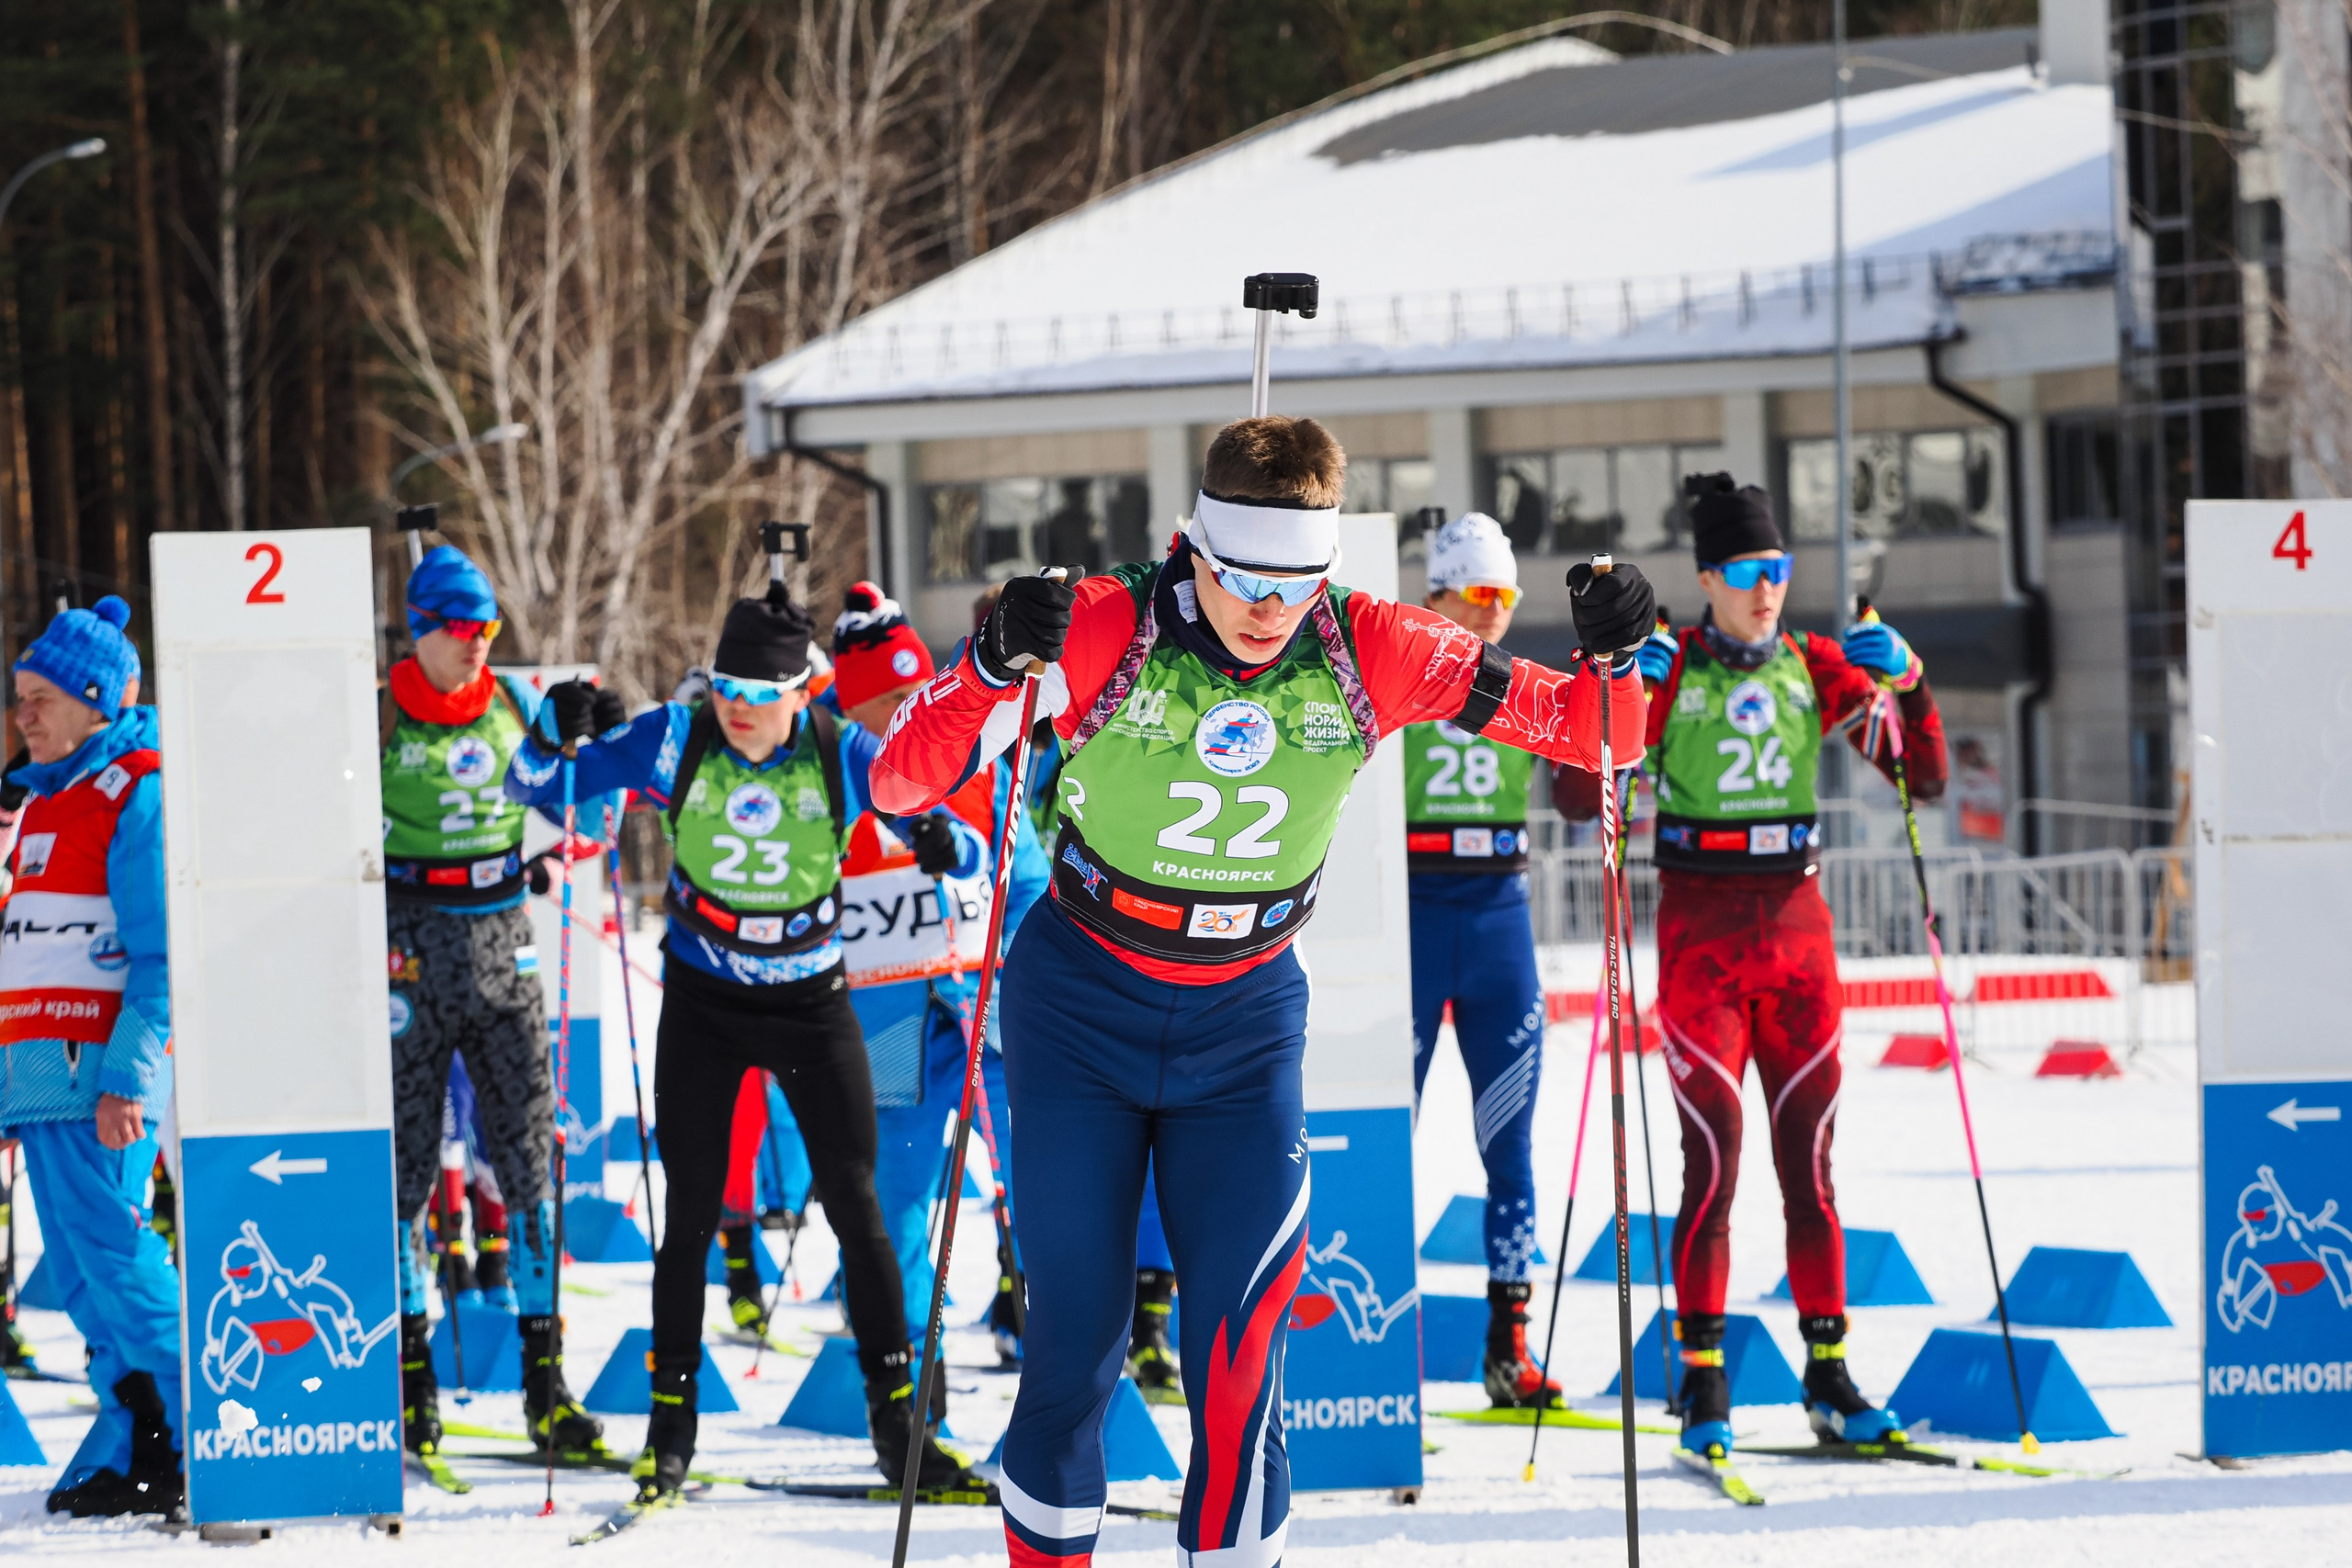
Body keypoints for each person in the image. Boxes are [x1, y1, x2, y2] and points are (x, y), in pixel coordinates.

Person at [873, 415, 1653, 1568]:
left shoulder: (1372, 644)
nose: (1264, 610)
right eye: (1240, 578)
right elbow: (901, 780)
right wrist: (990, 667)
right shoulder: (1104, 622)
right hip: (1081, 1006)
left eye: (1295, 585)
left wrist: (1618, 654)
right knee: (1075, 1353)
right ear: (1193, 544)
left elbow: (1599, 741)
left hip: (1240, 1028)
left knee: (1242, 1366)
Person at [508, 581, 974, 1506]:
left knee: (856, 1204)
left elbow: (947, 822)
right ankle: (668, 1430)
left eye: (761, 695)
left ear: (804, 689)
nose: (740, 709)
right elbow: (537, 792)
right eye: (726, 688)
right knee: (688, 1214)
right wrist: (546, 728)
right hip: (705, 998)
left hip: (812, 997)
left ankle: (900, 1426)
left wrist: (935, 840)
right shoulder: (674, 739)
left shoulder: (841, 750)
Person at [1555, 473, 1948, 1463]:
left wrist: (1909, 680)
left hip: (1799, 936)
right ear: (1706, 577)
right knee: (1714, 1159)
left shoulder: (1814, 665)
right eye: (1743, 571)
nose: (1764, 588)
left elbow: (1922, 776)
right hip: (1701, 939)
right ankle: (1702, 1380)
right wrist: (1611, 684)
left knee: (1809, 1163)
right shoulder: (1674, 666)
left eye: (1776, 569)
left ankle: (1827, 1372)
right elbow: (1573, 795)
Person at [381, 546, 606, 1467]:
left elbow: (555, 795)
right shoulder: (379, 710)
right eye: (460, 629)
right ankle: (411, 1382)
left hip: (503, 941)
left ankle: (545, 1387)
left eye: (488, 629)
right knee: (404, 1167)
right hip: (411, 948)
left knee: (525, 1162)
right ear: (420, 628)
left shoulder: (512, 702)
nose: (477, 645)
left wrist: (548, 844)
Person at [828, 582, 1045, 1367]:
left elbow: (1019, 867)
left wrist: (972, 874)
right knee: (900, 1165)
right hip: (893, 1001)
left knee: (1030, 1154)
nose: (900, 713)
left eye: (909, 692)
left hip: (990, 978)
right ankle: (903, 1346)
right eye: (880, 702)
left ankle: (1044, 1319)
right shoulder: (846, 755)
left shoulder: (966, 726)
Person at [0, 597, 182, 1517]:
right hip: (39, 1077)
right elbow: (30, 951)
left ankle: (195, 1424)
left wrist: (127, 1076)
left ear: (97, 700)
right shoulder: (43, 800)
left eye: (41, 698)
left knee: (120, 1258)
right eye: (19, 697)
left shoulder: (132, 790)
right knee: (78, 1274)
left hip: (94, 1077)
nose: (22, 713)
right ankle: (132, 1433)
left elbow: (159, 957)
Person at [1398, 513, 1558, 1409]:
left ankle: (1510, 1346)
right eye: (1479, 594)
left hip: (1500, 920)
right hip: (1417, 920)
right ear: (1438, 595)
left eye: (1506, 595)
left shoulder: (1523, 684)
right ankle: (1374, 1333)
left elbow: (1581, 782)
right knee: (1393, 1136)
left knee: (1510, 1145)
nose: (1495, 612)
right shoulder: (1405, 679)